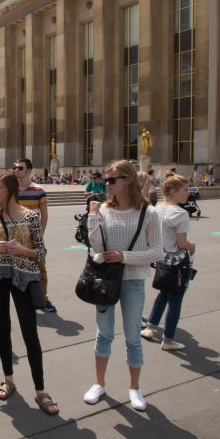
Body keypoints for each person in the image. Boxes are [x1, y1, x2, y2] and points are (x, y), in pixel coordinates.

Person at [82, 159, 163, 412]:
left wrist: (124, 257)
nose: (107, 184)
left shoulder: (148, 212)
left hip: (133, 281)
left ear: (128, 180)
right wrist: (93, 217)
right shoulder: (104, 210)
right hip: (105, 279)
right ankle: (99, 383)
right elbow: (96, 246)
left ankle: (134, 388)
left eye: (112, 180)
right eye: (106, 180)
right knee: (103, 334)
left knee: (132, 338)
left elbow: (157, 252)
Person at [0, 171, 57, 415]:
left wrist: (23, 250)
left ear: (11, 189)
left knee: (29, 331)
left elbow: (41, 252)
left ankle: (40, 390)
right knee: (3, 329)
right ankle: (9, 378)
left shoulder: (31, 217)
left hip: (23, 277)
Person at [140, 173, 195, 350]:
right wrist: (192, 245)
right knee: (176, 299)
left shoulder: (157, 208)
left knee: (163, 293)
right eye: (185, 190)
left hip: (161, 258)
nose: (188, 193)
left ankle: (150, 327)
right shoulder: (180, 213)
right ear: (173, 192)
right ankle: (168, 339)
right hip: (177, 262)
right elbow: (181, 243)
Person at [13, 158, 56, 313]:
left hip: (34, 237)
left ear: (29, 171)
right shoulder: (12, 190)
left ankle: (43, 298)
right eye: (15, 167)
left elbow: (44, 215)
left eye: (20, 168)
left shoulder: (39, 190)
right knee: (17, 269)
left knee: (40, 269)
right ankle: (24, 300)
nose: (16, 170)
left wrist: (40, 235)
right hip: (16, 237)